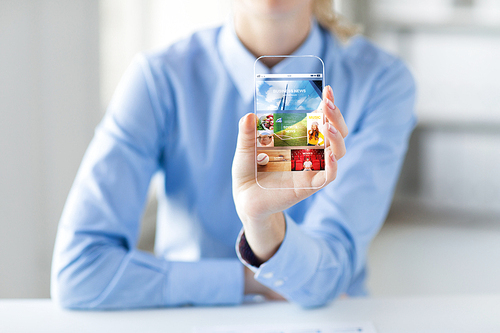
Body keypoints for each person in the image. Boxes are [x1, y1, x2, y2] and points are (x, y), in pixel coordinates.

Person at [51, 0, 415, 309]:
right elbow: (79, 273)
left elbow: (327, 276)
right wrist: (249, 280)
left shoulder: (380, 81)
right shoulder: (160, 79)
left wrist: (263, 223)